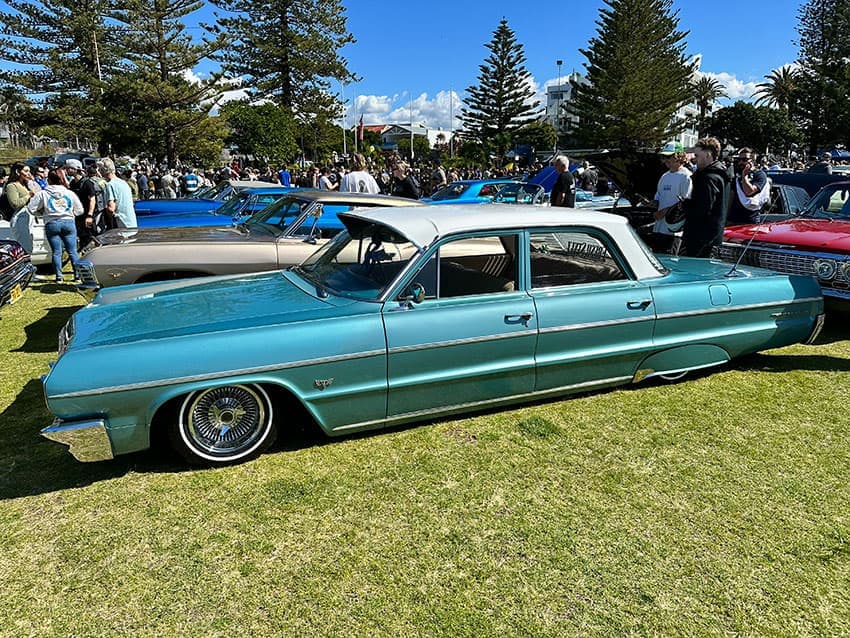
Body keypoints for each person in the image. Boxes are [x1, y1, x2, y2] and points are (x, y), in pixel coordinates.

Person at [27, 169, 84, 282]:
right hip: (68, 222)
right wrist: (71, 213)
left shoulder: (43, 193)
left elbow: (31, 208)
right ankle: (77, 275)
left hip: (52, 223)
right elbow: (80, 210)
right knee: (72, 251)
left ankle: (59, 276)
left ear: (48, 180)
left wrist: (42, 213)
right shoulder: (69, 193)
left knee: (56, 252)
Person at [681, 137, 730, 258]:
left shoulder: (708, 178)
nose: (694, 158)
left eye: (697, 155)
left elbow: (703, 208)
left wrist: (686, 205)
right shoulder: (720, 175)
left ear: (708, 155)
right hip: (711, 235)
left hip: (700, 237)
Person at [651, 144, 692, 253]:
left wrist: (665, 211)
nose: (666, 160)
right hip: (659, 229)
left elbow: (685, 203)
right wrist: (651, 204)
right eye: (664, 157)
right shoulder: (664, 176)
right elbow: (658, 198)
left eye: (669, 157)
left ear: (678, 156)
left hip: (674, 231)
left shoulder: (686, 176)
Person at [727, 147, 769, 226]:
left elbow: (749, 192)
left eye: (744, 160)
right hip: (733, 221)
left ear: (752, 160)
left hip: (750, 222)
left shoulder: (759, 175)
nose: (740, 162)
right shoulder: (736, 176)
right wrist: (726, 216)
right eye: (739, 160)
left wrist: (745, 175)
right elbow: (731, 196)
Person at [98, 157, 137, 228]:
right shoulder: (123, 183)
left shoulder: (110, 185)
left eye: (100, 169)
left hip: (120, 224)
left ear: (103, 170)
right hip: (131, 222)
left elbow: (111, 209)